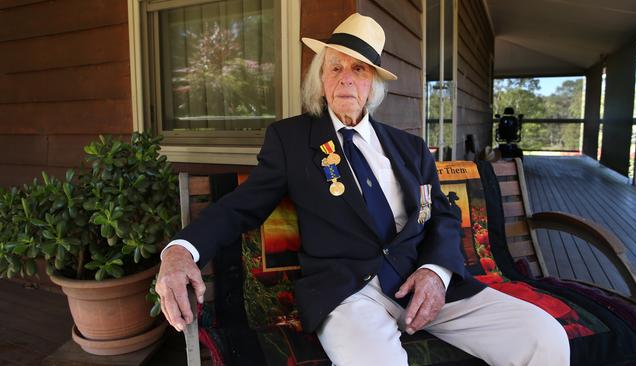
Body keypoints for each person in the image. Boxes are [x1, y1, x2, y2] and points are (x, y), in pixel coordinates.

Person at [156, 13, 570, 366]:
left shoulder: (408, 147)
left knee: (545, 338)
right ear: (320, 80)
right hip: (348, 292)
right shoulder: (291, 140)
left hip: (424, 284)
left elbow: (441, 212)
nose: (347, 79)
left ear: (373, 85)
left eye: (359, 69)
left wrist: (436, 271)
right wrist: (179, 251)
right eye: (335, 67)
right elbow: (241, 206)